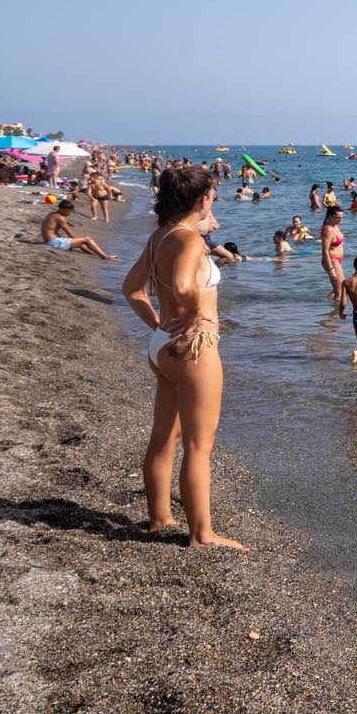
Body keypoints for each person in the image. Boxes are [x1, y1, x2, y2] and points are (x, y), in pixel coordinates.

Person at [120, 163, 243, 550]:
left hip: (162, 345)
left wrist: (159, 323)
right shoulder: (189, 240)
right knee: (198, 446)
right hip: (195, 348)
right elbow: (183, 284)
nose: (215, 200)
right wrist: (193, 312)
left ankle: (160, 518)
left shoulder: (159, 237)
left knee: (164, 438)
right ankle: (202, 534)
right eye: (213, 195)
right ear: (203, 199)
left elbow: (132, 289)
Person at [41, 202, 117, 259]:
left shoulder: (52, 214)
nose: (69, 213)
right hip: (53, 242)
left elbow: (52, 231)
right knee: (87, 239)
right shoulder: (60, 217)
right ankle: (105, 256)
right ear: (61, 209)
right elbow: (70, 234)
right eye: (68, 211)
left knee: (79, 241)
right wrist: (84, 246)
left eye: (70, 211)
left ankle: (93, 252)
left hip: (50, 241)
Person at [321, 206, 348, 316]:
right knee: (341, 291)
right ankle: (335, 316)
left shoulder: (335, 226)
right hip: (332, 261)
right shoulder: (328, 230)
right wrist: (331, 269)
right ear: (330, 216)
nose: (340, 220)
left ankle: (326, 305)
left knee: (338, 290)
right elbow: (325, 251)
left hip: (337, 260)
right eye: (338, 217)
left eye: (342, 217)